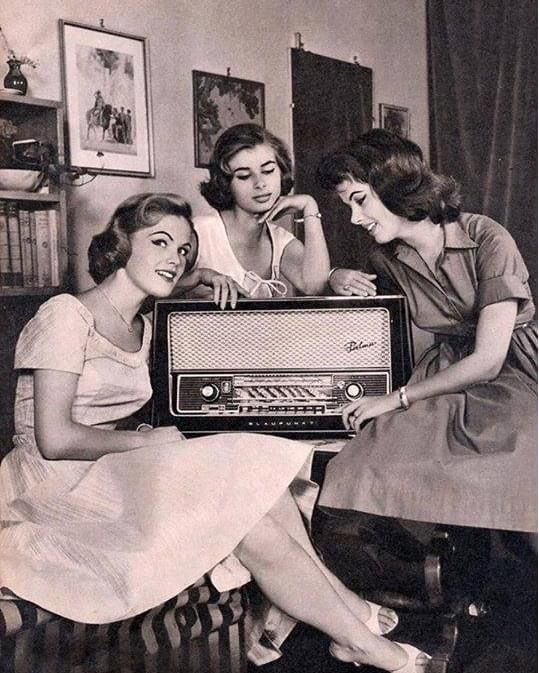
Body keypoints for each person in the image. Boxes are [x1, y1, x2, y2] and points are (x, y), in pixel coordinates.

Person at [0, 192, 429, 672]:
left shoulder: (143, 323)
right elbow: (53, 440)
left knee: (255, 473)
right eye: (159, 242)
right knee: (247, 507)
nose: (173, 258)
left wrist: (201, 276)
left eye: (184, 250)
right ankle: (358, 635)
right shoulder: (64, 314)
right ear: (121, 245)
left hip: (109, 470)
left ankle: (348, 620)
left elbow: (173, 295)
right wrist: (147, 441)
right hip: (52, 486)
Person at [316, 129, 537, 534]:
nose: (354, 219)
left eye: (360, 200)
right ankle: (438, 583)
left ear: (395, 186)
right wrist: (334, 275)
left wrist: (396, 398)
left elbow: (488, 361)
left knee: (520, 468)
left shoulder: (488, 237)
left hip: (516, 366)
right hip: (445, 372)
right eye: (347, 206)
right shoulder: (385, 258)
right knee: (365, 460)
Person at [175, 123, 341, 305]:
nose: (260, 183)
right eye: (244, 176)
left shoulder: (280, 240)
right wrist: (198, 276)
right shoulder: (198, 232)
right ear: (225, 184)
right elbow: (149, 295)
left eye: (268, 171)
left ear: (281, 172)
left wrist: (310, 207)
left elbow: (314, 285)